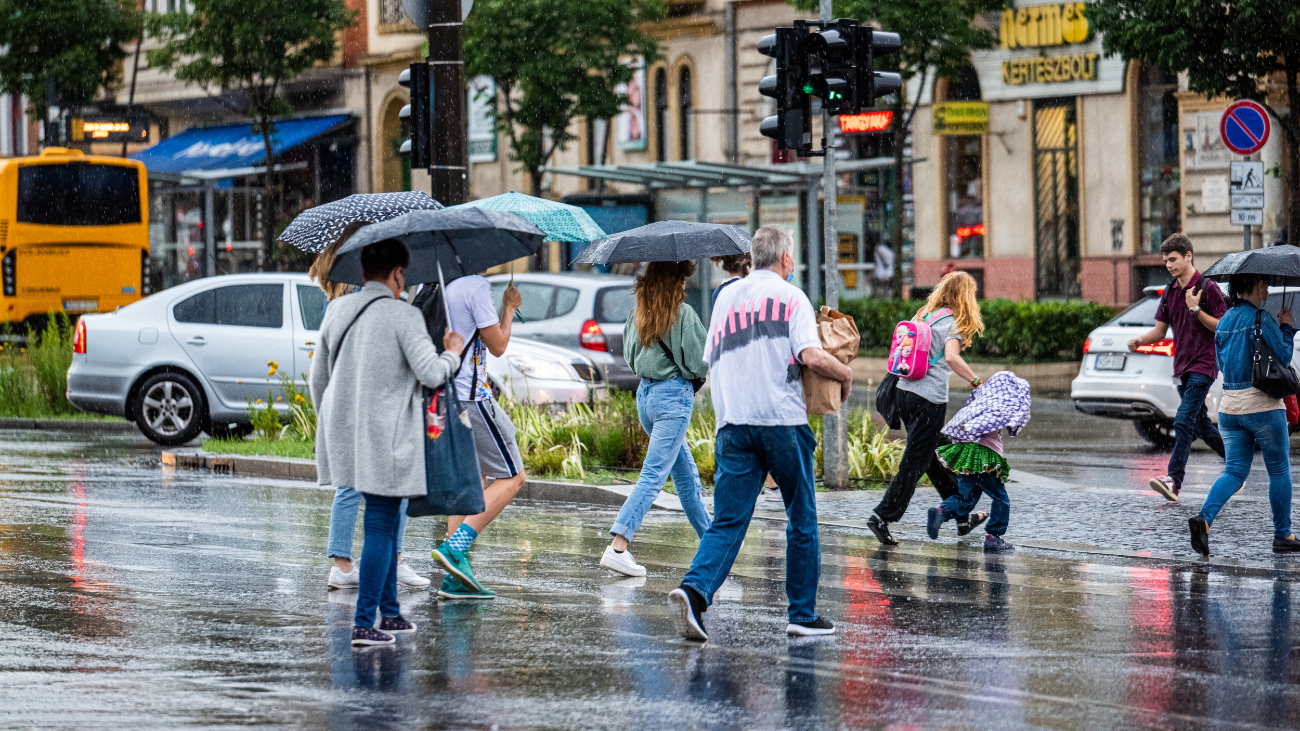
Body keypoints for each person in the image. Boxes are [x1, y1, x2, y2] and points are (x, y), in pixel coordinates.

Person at [666, 225, 854, 642]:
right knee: (801, 518)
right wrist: (845, 373)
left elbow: (712, 358)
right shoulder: (792, 297)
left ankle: (694, 592)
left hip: (733, 423)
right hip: (782, 422)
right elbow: (809, 354)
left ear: (753, 258)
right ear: (786, 259)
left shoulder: (725, 298)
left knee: (729, 520)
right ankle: (802, 615)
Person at [310, 238, 465, 647]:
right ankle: (365, 623)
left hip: (345, 435)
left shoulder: (338, 310)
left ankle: (392, 614)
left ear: (362, 273)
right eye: (404, 273)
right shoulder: (403, 316)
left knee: (391, 519)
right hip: (389, 439)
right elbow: (432, 374)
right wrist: (452, 352)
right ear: (398, 273)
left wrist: (330, 422)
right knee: (381, 525)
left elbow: (317, 380)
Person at [310, 227, 431, 592]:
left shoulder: (344, 302)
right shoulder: (350, 305)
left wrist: (325, 420)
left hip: (349, 413)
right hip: (369, 414)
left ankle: (354, 564)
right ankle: (361, 565)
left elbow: (321, 379)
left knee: (357, 486)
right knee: (377, 488)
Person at [600, 261, 712, 577]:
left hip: (646, 398)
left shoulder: (637, 315)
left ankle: (713, 544)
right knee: (653, 476)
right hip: (673, 399)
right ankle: (618, 546)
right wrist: (689, 376)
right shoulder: (684, 316)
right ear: (673, 283)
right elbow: (700, 362)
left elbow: (632, 359)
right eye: (681, 280)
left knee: (686, 476)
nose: (685, 286)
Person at [867, 271, 986, 546]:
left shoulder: (925, 314)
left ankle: (961, 514)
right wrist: (975, 381)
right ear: (964, 296)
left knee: (936, 457)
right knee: (915, 463)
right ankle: (881, 517)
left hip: (904, 394)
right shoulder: (952, 323)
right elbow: (952, 357)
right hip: (929, 400)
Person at [1188, 272, 1300, 556]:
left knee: (1235, 471)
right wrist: (1287, 327)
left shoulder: (1224, 322)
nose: (1268, 289)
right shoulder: (1262, 319)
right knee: (1279, 469)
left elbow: (1222, 363)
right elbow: (1285, 356)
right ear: (1258, 286)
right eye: (1266, 285)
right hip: (1262, 405)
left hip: (1230, 407)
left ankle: (1204, 519)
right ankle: (1283, 535)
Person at [431, 271, 525, 599]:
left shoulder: (447, 285)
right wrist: (509, 308)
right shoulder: (476, 287)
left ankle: (456, 577)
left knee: (470, 484)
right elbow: (498, 345)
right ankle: (455, 548)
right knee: (513, 476)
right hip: (473, 397)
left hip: (448, 394)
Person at [1128, 233, 1227, 501]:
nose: (1168, 265)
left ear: (1188, 256)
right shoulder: (1170, 291)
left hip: (1203, 365)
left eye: (1173, 259)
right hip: (1181, 367)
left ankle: (1174, 480)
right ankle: (1236, 466)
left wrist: (1196, 310)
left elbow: (1223, 326)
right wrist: (1140, 340)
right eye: (1165, 260)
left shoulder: (1208, 287)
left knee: (1183, 420)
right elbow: (1160, 331)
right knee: (1201, 424)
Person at [926, 371, 1032, 552]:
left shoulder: (982, 401)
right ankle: (993, 537)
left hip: (968, 456)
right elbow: (1014, 422)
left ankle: (941, 512)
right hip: (984, 458)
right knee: (1001, 498)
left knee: (965, 498)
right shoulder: (1000, 406)